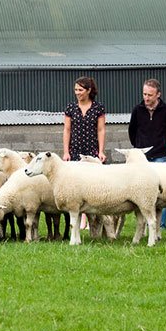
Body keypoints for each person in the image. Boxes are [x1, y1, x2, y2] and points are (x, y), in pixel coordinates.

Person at [128, 78, 166, 227]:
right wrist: (138, 147)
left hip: (160, 155)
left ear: (158, 94)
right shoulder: (137, 110)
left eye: (150, 95)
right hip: (142, 157)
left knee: (161, 190)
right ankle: (145, 222)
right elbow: (132, 131)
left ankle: (160, 223)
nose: (146, 98)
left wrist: (165, 147)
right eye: (144, 94)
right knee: (142, 189)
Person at [63, 76, 106, 230]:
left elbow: (101, 130)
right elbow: (67, 130)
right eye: (76, 90)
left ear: (88, 91)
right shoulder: (70, 108)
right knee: (77, 185)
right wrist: (66, 152)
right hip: (75, 150)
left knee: (93, 184)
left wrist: (100, 151)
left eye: (80, 90)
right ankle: (81, 219)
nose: (77, 93)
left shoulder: (98, 108)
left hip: (91, 150)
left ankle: (93, 218)